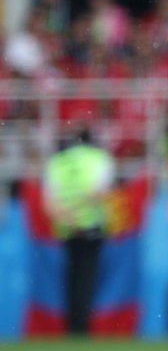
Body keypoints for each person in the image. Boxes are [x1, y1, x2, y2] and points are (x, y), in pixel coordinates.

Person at [42, 128, 117, 336]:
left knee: (71, 276)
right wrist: (82, 211)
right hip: (91, 225)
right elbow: (101, 192)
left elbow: (49, 203)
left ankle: (72, 327)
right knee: (87, 277)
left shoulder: (57, 162)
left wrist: (68, 216)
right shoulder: (99, 159)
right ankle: (82, 328)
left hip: (67, 227)